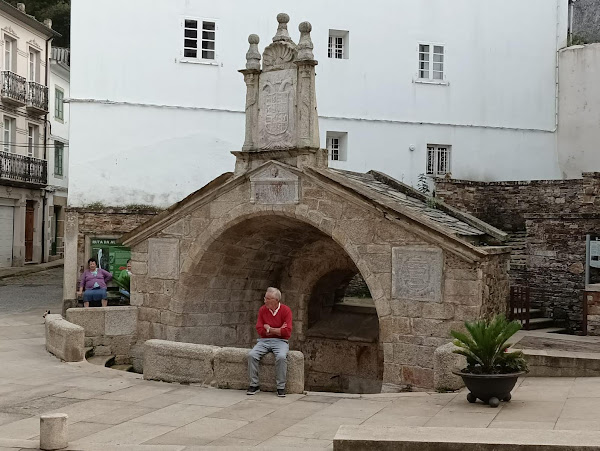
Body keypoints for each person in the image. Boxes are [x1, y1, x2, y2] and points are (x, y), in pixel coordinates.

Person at [247, 287, 292, 397]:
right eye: (265, 298)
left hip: (281, 341)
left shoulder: (286, 310)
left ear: (276, 300)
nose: (265, 300)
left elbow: (287, 332)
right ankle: (254, 384)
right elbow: (259, 329)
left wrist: (269, 329)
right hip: (264, 341)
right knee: (252, 355)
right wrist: (277, 330)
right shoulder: (262, 310)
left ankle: (281, 387)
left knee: (281, 357)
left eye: (268, 298)